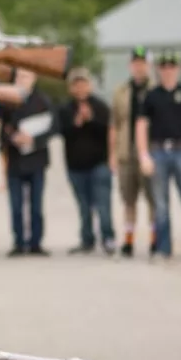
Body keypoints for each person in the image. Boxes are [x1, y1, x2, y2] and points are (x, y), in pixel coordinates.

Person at [135, 50, 181, 259]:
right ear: (159, 69)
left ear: (178, 68)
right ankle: (163, 248)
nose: (168, 70)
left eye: (172, 66)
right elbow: (141, 125)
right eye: (164, 67)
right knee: (161, 205)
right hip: (158, 152)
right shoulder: (151, 96)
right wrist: (143, 155)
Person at [0, 69, 55, 256]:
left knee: (36, 205)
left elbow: (53, 127)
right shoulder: (6, 101)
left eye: (26, 76)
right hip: (15, 160)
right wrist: (12, 139)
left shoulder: (43, 100)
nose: (22, 80)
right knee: (16, 205)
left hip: (37, 160)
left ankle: (35, 243)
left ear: (34, 79)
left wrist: (33, 140)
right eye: (18, 77)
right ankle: (19, 242)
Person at [58, 67, 116, 255]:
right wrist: (76, 122)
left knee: (103, 204)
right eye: (77, 84)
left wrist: (91, 119)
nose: (81, 88)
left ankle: (108, 237)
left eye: (84, 83)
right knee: (83, 206)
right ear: (71, 88)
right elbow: (62, 132)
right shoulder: (66, 109)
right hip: (76, 165)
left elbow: (108, 132)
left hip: (99, 163)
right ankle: (87, 239)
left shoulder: (100, 106)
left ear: (90, 86)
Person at [109, 47, 157, 257]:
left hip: (150, 151)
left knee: (153, 199)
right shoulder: (121, 91)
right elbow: (115, 124)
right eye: (136, 63)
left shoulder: (156, 90)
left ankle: (156, 239)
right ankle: (128, 240)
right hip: (126, 150)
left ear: (149, 65)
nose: (139, 67)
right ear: (131, 66)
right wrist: (112, 153)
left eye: (143, 63)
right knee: (128, 199)